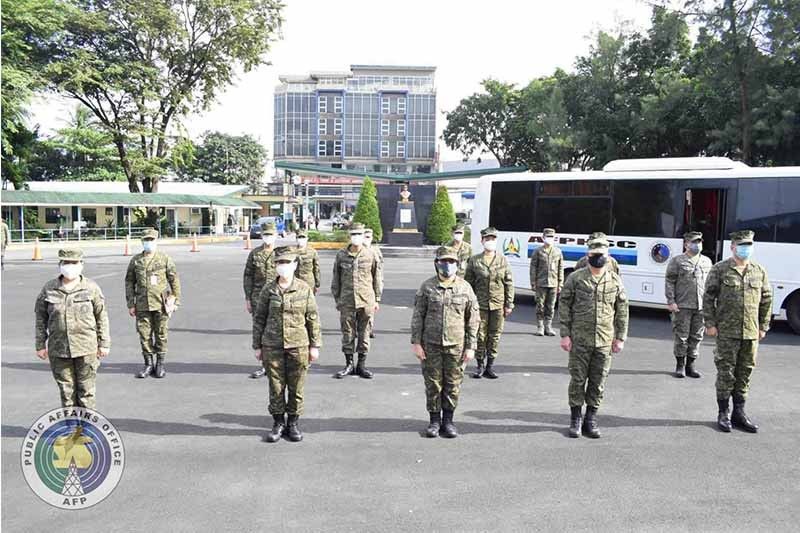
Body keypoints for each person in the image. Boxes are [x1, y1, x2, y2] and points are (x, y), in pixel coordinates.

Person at [559, 236, 629, 439]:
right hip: (579, 339)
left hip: (605, 340)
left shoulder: (615, 280)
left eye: (602, 255)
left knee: (598, 382)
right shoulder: (576, 278)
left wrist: (620, 337)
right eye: (595, 254)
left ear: (608, 257)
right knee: (578, 380)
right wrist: (565, 334)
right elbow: (564, 305)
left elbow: (622, 310)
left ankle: (591, 419)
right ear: (588, 255)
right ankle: (575, 420)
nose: (599, 258)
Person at [703, 230, 772, 433]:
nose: (745, 249)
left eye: (749, 245)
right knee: (726, 373)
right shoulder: (720, 269)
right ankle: (723, 413)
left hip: (751, 333)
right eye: (742, 245)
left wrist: (763, 326)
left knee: (745, 373)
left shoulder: (759, 270)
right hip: (726, 332)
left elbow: (767, 299)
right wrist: (710, 323)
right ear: (732, 247)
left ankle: (739, 413)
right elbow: (708, 298)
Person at [252, 247, 321, 443]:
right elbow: (259, 318)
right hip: (272, 345)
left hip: (298, 345)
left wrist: (315, 345)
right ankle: (278, 422)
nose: (283, 267)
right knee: (276, 386)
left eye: (287, 263)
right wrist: (257, 346)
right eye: (279, 263)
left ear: (295, 265)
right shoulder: (268, 289)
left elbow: (313, 318)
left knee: (296, 386)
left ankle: (293, 422)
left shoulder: (304, 289)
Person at [411, 246, 479, 438]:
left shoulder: (465, 288)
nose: (447, 265)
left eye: (451, 261)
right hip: (430, 343)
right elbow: (418, 316)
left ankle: (448, 421)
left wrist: (471, 346)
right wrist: (416, 342)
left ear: (457, 264)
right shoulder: (427, 287)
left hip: (456, 345)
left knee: (453, 383)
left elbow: (473, 320)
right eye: (443, 261)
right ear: (437, 263)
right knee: (433, 383)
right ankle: (434, 421)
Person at [35, 249, 110, 408]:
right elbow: (41, 318)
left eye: (74, 263)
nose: (70, 266)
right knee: (66, 392)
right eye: (66, 263)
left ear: (81, 265)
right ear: (60, 265)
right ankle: (70, 429)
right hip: (59, 348)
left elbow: (101, 316)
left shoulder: (91, 288)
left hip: (86, 348)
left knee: (86, 391)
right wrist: (40, 345)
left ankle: (87, 428)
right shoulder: (49, 289)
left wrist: (104, 343)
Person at [126, 228, 181, 379]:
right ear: (142, 242)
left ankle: (160, 364)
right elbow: (129, 282)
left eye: (151, 240)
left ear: (156, 241)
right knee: (144, 335)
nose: (148, 243)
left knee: (161, 334)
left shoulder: (164, 259)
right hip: (142, 304)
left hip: (161, 304)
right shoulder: (136, 260)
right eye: (146, 240)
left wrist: (175, 300)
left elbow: (174, 280)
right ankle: (148, 363)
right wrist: (131, 303)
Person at [331, 222, 382, 379]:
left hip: (366, 299)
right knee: (347, 332)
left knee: (364, 332)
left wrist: (377, 299)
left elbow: (377, 278)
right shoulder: (341, 255)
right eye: (353, 234)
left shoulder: (370, 254)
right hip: (346, 300)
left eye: (359, 234)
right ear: (349, 236)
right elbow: (336, 279)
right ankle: (348, 364)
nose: (356, 237)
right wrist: (337, 298)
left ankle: (361, 365)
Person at [464, 226, 514, 379]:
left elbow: (509, 283)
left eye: (492, 239)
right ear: (482, 241)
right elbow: (468, 284)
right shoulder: (474, 260)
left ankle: (490, 366)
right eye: (487, 239)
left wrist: (509, 304)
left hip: (498, 304)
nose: (490, 241)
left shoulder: (503, 260)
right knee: (480, 336)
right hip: (480, 305)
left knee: (495, 336)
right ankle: (479, 365)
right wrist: (468, 305)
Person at [664, 231, 712, 378]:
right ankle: (680, 365)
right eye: (694, 242)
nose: (697, 244)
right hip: (683, 305)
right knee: (682, 337)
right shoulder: (677, 261)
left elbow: (711, 285)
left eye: (699, 242)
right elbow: (670, 281)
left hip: (701, 306)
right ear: (686, 244)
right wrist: (671, 301)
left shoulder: (706, 261)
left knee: (697, 337)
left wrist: (711, 304)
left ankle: (691, 365)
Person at [243, 222, 278, 378]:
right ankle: (264, 365)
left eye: (271, 234)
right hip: (258, 298)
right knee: (261, 331)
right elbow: (248, 277)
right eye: (265, 234)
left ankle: (277, 364)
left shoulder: (281, 254)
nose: (268, 237)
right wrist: (248, 298)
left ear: (276, 236)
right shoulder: (255, 254)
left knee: (278, 331)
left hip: (278, 298)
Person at [529, 227, 564, 336]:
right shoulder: (538, 251)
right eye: (547, 237)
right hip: (541, 282)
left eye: (551, 237)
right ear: (543, 237)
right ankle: (540, 326)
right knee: (540, 305)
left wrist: (560, 283)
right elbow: (533, 267)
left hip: (553, 283)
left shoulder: (558, 251)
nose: (549, 239)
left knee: (551, 306)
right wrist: (533, 282)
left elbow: (560, 268)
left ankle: (548, 326)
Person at [364, 227, 384, 339]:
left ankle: (369, 328)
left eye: (369, 237)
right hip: (362, 283)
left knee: (370, 309)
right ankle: (361, 328)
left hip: (373, 282)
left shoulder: (375, 250)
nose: (367, 239)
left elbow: (380, 267)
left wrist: (380, 283)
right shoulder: (358, 250)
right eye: (365, 237)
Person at [294, 228, 321, 293]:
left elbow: (316, 269)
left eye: (303, 237)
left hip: (308, 283)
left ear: (307, 238)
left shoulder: (312, 252)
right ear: (296, 238)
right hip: (295, 283)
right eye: (299, 237)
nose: (301, 239)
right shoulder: (291, 251)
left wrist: (317, 284)